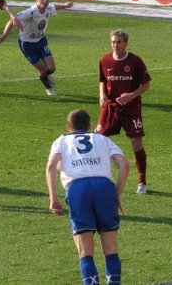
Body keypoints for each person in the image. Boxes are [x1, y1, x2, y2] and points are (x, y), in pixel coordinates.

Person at [46, 109, 129, 285]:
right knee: (111, 248)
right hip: (104, 188)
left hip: (78, 189)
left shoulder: (61, 141)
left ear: (68, 127)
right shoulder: (103, 139)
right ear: (90, 125)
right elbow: (124, 164)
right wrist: (117, 194)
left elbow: (51, 166)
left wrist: (53, 198)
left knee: (85, 251)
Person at [96, 29, 151, 195]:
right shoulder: (104, 60)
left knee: (136, 143)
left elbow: (146, 85)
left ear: (126, 43)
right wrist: (102, 95)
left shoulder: (135, 61)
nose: (115, 45)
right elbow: (102, 80)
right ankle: (100, 177)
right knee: (97, 140)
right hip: (111, 107)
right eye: (113, 42)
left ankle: (142, 182)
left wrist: (131, 96)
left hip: (131, 108)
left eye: (119, 42)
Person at [0, 0, 73, 97]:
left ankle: (44, 76)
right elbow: (12, 20)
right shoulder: (30, 12)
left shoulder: (48, 8)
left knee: (51, 69)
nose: (45, 1)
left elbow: (55, 7)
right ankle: (48, 87)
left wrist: (65, 5)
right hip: (27, 45)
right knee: (43, 69)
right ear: (37, 1)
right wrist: (4, 35)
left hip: (40, 41)